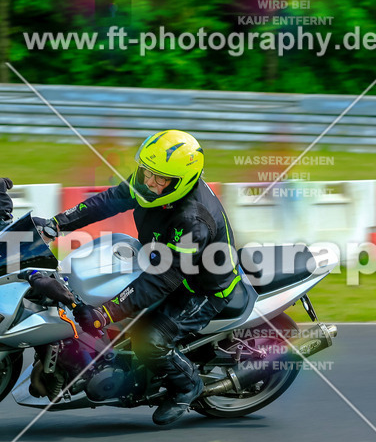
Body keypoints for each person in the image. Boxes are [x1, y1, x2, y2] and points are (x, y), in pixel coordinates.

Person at [38, 130, 243, 426]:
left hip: (201, 288)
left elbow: (164, 280)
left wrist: (105, 313)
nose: (149, 182)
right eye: (147, 171)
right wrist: (56, 224)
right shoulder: (149, 183)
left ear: (181, 181)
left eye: (159, 178)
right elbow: (109, 200)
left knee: (149, 340)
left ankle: (186, 387)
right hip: (159, 260)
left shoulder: (193, 221)